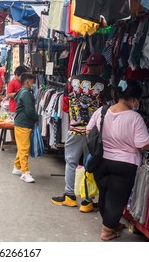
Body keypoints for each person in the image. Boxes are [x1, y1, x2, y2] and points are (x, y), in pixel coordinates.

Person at [87, 80, 149, 241]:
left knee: (105, 194)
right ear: (134, 99)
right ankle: (107, 231)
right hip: (125, 164)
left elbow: (88, 131)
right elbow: (144, 143)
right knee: (117, 198)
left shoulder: (102, 111)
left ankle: (110, 223)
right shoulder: (134, 118)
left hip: (102, 161)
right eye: (138, 100)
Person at [51, 53, 109, 212]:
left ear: (87, 65)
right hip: (94, 133)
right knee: (89, 164)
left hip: (75, 130)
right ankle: (87, 201)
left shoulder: (71, 80)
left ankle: (69, 196)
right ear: (100, 67)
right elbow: (106, 110)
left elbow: (64, 106)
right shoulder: (105, 84)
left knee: (71, 162)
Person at [12, 73, 39, 183]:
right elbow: (29, 110)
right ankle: (24, 172)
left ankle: (17, 167)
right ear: (28, 82)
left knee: (21, 146)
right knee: (24, 148)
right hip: (24, 123)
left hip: (21, 122)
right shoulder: (26, 93)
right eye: (33, 82)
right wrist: (36, 118)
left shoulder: (22, 91)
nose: (34, 84)